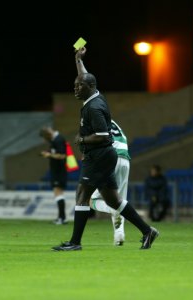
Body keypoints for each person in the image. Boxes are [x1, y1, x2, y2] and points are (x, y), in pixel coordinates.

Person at [52, 46, 159, 251]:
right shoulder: (94, 96)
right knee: (113, 199)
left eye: (79, 85)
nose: (75, 88)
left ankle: (75, 243)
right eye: (75, 85)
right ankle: (148, 231)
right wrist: (78, 59)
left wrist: (83, 140)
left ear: (89, 86)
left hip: (100, 156)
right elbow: (84, 76)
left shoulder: (94, 107)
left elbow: (103, 135)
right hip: (104, 157)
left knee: (82, 194)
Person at [90, 119, 130, 246]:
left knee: (91, 200)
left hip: (111, 158)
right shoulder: (115, 123)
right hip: (125, 159)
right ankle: (119, 236)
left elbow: (97, 141)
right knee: (120, 200)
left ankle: (112, 210)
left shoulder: (96, 121)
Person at [39, 126, 68, 225]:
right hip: (56, 170)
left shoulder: (59, 139)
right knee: (57, 193)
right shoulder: (55, 140)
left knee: (58, 192)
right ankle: (61, 217)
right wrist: (48, 153)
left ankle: (62, 218)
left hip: (59, 171)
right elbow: (57, 153)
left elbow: (63, 155)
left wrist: (49, 155)